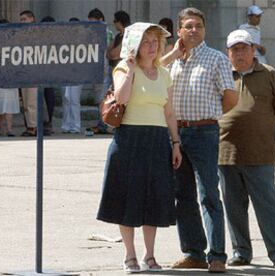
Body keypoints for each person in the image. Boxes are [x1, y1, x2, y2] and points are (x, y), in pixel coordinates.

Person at [97, 23, 182, 273]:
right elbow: (121, 99)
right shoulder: (124, 67)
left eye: (155, 41)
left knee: (152, 199)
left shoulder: (163, 73)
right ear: (135, 45)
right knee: (128, 198)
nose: (152, 46)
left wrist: (175, 142)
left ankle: (150, 255)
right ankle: (130, 256)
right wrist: (132, 69)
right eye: (146, 41)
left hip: (157, 141)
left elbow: (169, 111)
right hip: (129, 140)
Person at [161, 7, 238, 273]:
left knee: (209, 194)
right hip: (175, 135)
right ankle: (193, 252)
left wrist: (210, 117)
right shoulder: (170, 61)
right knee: (182, 195)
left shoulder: (215, 58)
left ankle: (217, 254)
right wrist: (172, 54)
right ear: (179, 30)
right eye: (189, 26)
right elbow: (149, 74)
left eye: (199, 26)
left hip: (205, 133)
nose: (194, 30)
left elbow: (230, 97)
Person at [218, 29, 275, 270]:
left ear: (253, 50)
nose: (239, 53)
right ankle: (240, 252)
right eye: (234, 49)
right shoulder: (221, 75)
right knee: (234, 208)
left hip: (261, 154)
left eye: (243, 48)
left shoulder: (268, 74)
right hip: (226, 153)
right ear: (228, 53)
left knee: (268, 206)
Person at [61, 17, 82, 134]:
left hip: (77, 73)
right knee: (66, 99)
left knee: (74, 100)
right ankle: (66, 125)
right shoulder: (65, 39)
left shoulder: (81, 40)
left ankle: (76, 125)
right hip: (65, 72)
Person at [19, 10, 38, 137]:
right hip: (23, 71)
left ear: (32, 19)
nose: (22, 22)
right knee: (25, 102)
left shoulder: (36, 33)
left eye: (24, 19)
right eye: (21, 19)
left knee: (31, 101)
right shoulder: (21, 34)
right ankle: (29, 125)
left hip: (34, 71)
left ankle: (33, 126)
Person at [40, 16, 57, 136]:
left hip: (48, 73)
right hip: (45, 72)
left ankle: (47, 124)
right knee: (46, 100)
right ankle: (45, 124)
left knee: (48, 99)